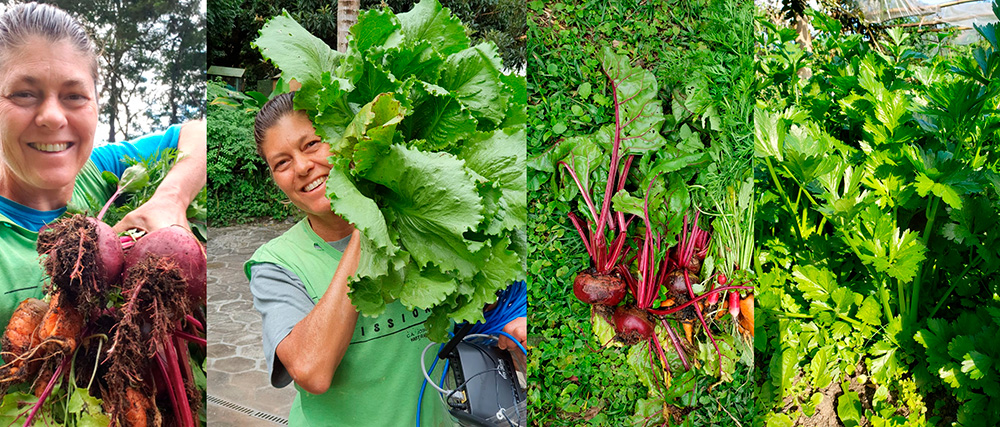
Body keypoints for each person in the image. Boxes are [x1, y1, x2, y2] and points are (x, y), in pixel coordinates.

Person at [246, 92, 526, 426]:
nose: (303, 167)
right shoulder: (276, 263)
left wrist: (513, 335)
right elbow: (311, 371)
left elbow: (481, 322)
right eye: (282, 163)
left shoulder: (425, 224)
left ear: (344, 139)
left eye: (312, 144)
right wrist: (369, 219)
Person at [0, 2, 206, 326]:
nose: (53, 117)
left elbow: (199, 132)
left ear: (96, 104)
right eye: (24, 94)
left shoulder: (100, 168)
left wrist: (172, 197)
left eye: (74, 96)